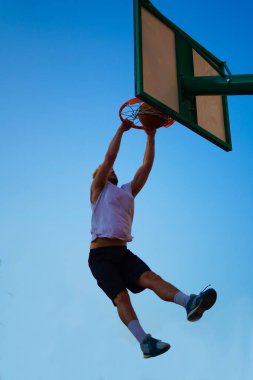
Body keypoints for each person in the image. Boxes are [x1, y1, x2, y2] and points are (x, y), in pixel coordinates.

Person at [88, 119, 217, 359]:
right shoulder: (98, 190)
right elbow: (109, 158)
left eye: (113, 171)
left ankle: (189, 303)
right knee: (121, 297)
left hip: (122, 252)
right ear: (100, 176)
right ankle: (145, 342)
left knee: (151, 277)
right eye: (106, 170)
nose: (112, 171)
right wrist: (121, 130)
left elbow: (146, 165)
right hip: (100, 256)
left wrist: (150, 135)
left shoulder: (127, 191)